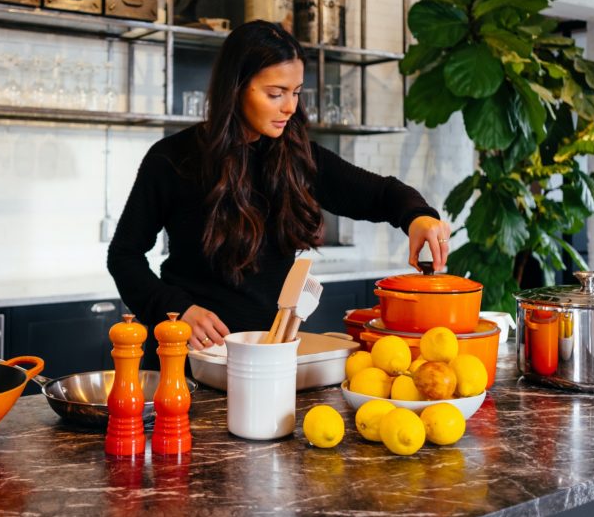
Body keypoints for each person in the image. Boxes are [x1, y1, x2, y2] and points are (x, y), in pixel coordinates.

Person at [107, 20, 451, 351]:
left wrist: (417, 216)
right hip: (188, 356)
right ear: (236, 87)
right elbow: (124, 256)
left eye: (296, 92)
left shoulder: (297, 157)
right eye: (275, 93)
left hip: (269, 355)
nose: (289, 107)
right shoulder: (172, 159)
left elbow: (381, 194)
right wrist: (178, 310)